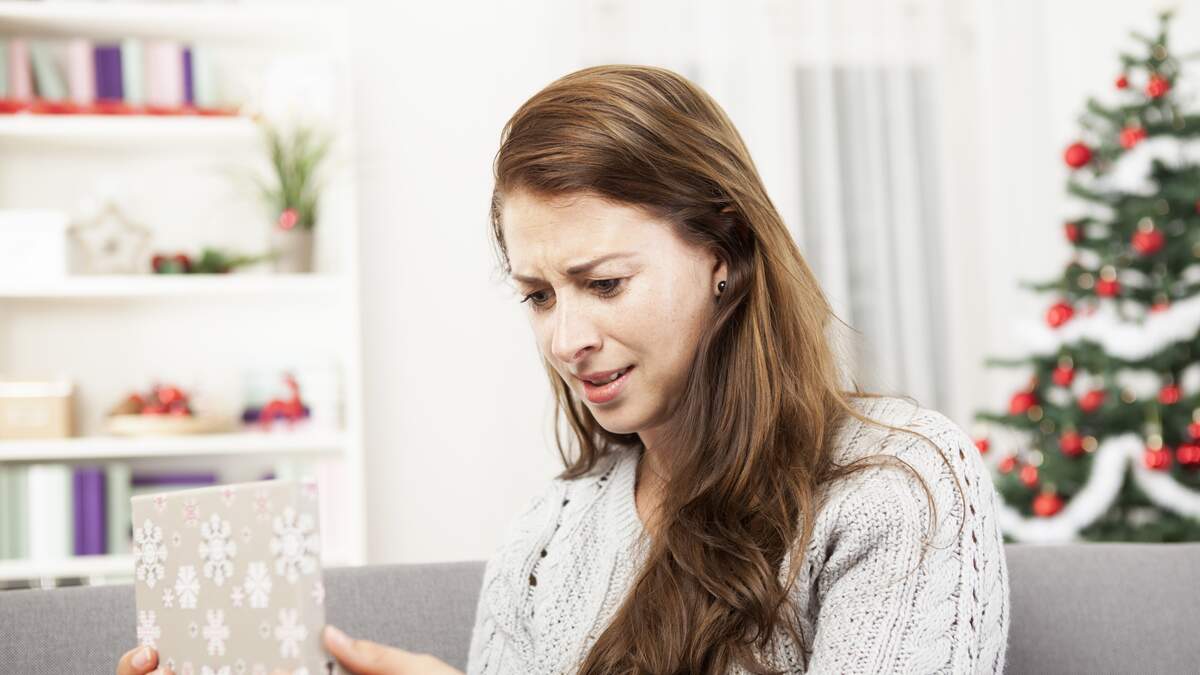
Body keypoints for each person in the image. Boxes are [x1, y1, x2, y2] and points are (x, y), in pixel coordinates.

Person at [117, 64, 1009, 675]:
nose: (565, 338)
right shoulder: (548, 537)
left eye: (605, 283)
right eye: (539, 295)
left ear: (726, 251)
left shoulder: (895, 485)